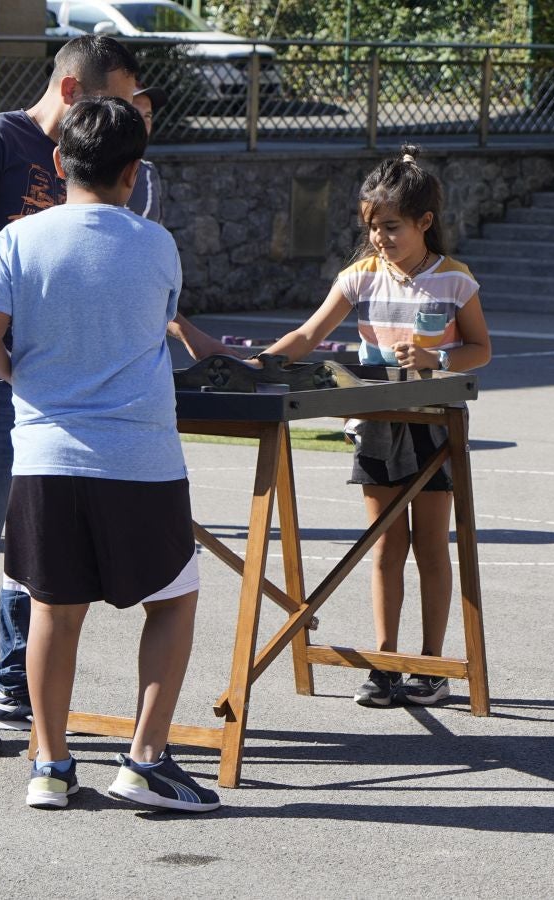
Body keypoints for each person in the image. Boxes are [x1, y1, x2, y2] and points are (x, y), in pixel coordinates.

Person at [0, 35, 227, 756]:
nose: (125, 114)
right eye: (114, 99)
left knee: (33, 551)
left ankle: (13, 684)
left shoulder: (108, 168)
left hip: (53, 374)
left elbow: (114, 270)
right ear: (70, 92)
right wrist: (28, 280)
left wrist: (186, 331)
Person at [236, 144, 491, 708]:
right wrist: (260, 365)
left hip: (433, 422)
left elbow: (480, 350)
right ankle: (385, 662)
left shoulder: (454, 280)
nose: (380, 237)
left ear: (425, 223)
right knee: (383, 547)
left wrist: (437, 359)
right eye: (372, 226)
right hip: (376, 422)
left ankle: (430, 665)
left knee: (430, 546)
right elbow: (307, 335)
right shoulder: (361, 277)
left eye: (392, 226)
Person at [126, 84, 166, 222]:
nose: (143, 124)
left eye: (147, 116)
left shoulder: (147, 172)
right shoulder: (89, 168)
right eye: (135, 114)